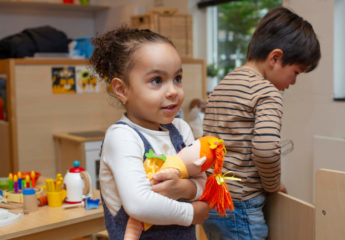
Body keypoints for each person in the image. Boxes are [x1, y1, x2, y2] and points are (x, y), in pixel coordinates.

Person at [202, 7, 321, 240]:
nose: (294, 82)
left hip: (212, 200)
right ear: (275, 58)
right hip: (241, 206)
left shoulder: (222, 85)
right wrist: (273, 184)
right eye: (296, 72)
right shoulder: (267, 93)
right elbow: (266, 152)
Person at [89, 27, 209, 240]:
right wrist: (192, 213)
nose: (173, 91)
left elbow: (206, 185)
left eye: (177, 78)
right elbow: (139, 204)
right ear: (122, 90)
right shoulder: (122, 136)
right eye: (157, 80)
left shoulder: (181, 130)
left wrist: (183, 187)